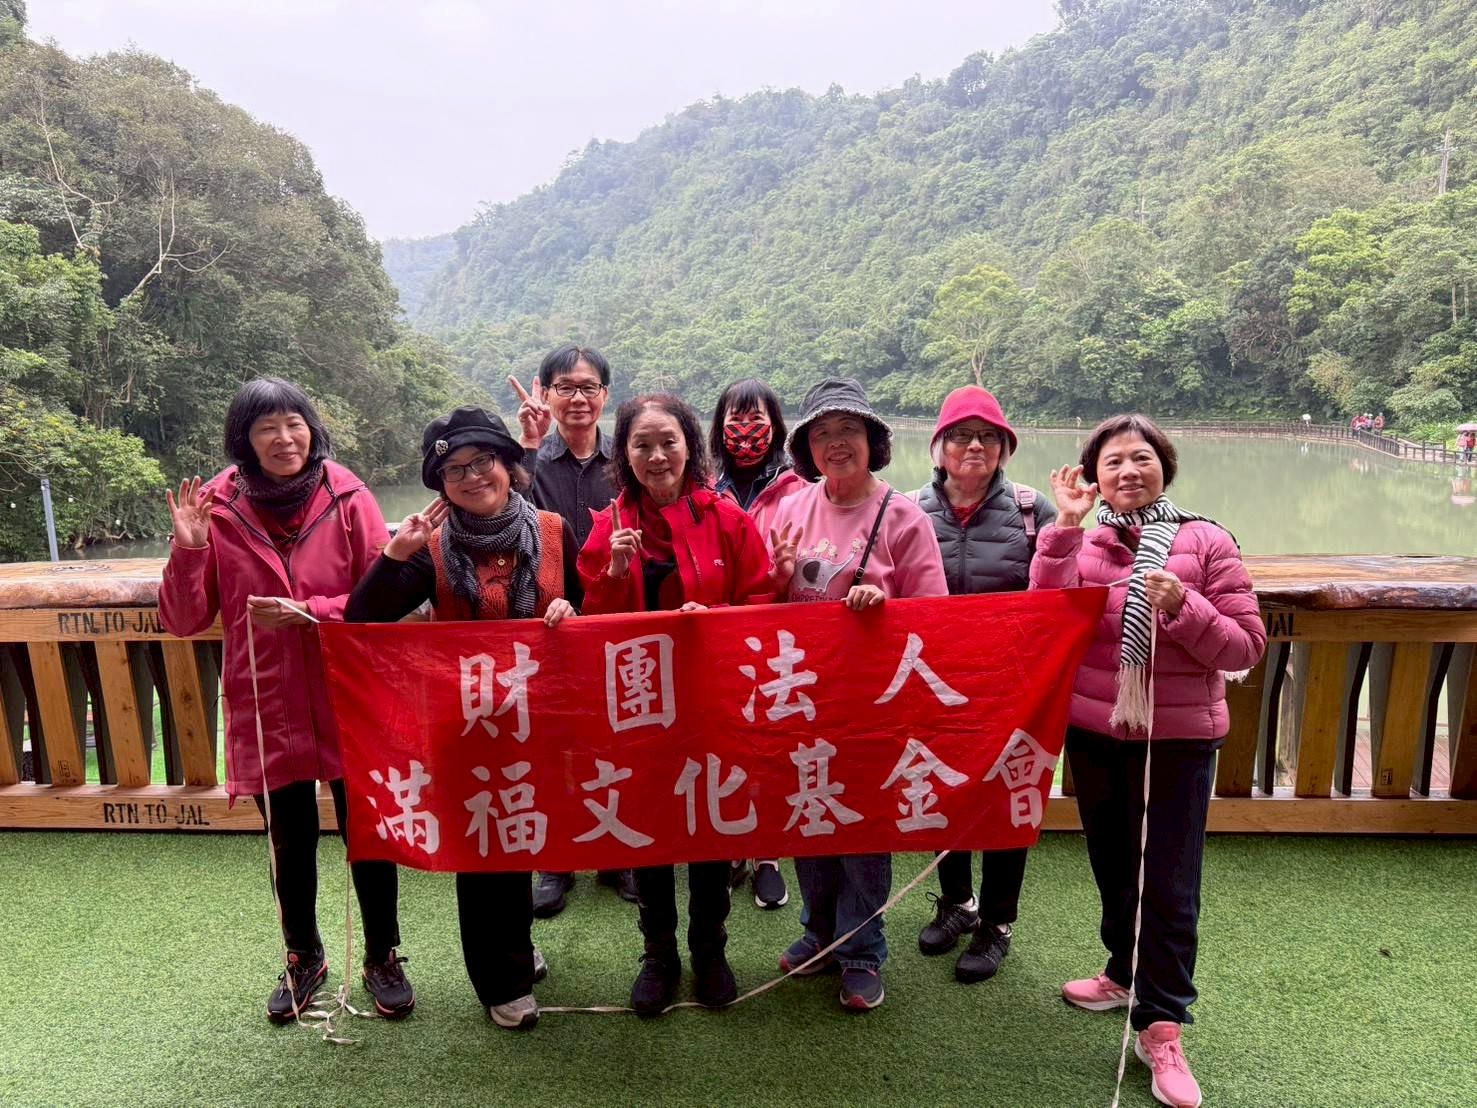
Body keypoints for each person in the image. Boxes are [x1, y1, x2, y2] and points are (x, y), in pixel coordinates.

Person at [158, 376, 413, 1024]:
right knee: (288, 839)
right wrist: (189, 549)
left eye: (293, 423)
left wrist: (311, 612)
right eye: (266, 427)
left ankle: (382, 955)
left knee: (369, 831)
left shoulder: (348, 495)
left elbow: (381, 596)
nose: (283, 438)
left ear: (311, 428)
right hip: (267, 697)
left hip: (346, 691)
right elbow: (184, 620)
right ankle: (304, 956)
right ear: (243, 438)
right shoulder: (217, 506)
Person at [1033, 414, 1266, 1108]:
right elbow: (1044, 614)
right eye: (1112, 462)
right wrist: (1064, 527)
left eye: (1140, 458)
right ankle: (1122, 972)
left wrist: (1184, 605)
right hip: (1096, 732)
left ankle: (1161, 1025)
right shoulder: (1086, 541)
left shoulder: (1206, 541)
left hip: (1178, 740)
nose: (1127, 471)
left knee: (1167, 882)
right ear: (1093, 477)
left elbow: (1244, 647)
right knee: (1111, 864)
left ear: (1164, 466)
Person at [345, 406, 579, 1031]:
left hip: (541, 718)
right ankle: (500, 980)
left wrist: (572, 615)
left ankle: (517, 943)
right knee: (483, 851)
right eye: (455, 471)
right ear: (442, 485)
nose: (473, 477)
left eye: (483, 462)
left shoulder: (554, 531)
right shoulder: (433, 550)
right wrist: (394, 555)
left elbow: (588, 608)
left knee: (524, 834)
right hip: (468, 724)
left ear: (508, 465)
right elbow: (360, 618)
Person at [577, 392, 777, 1017]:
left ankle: (710, 950)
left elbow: (762, 602)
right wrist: (614, 571)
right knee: (650, 833)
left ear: (690, 445)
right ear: (624, 454)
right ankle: (658, 955)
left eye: (669, 441)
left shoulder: (727, 519)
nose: (657, 455)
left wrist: (713, 618)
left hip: (712, 702)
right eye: (642, 445)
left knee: (711, 826)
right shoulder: (609, 524)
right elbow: (591, 623)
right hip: (639, 707)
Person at [766, 377, 947, 1012]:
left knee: (863, 826)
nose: (836, 443)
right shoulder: (791, 508)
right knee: (811, 814)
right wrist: (776, 577)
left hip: (872, 703)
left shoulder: (903, 516)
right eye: (822, 433)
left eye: (848, 430)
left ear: (873, 440)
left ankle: (862, 950)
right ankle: (818, 933)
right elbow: (765, 602)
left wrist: (885, 606)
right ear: (807, 448)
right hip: (801, 697)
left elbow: (935, 617)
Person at [910, 385, 1056, 984]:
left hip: (1011, 688)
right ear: (939, 446)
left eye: (988, 437)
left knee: (1005, 799)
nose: (975, 446)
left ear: (1003, 448)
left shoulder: (1031, 510)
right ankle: (956, 902)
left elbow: (1057, 592)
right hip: (934, 683)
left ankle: (997, 921)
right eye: (961, 436)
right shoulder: (909, 509)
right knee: (943, 790)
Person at [508, 343, 636, 915]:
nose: (577, 398)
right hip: (549, 620)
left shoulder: (626, 459)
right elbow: (504, 512)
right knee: (554, 740)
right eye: (565, 387)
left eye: (588, 387)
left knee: (619, 733)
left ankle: (617, 854)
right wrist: (529, 445)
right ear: (546, 392)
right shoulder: (529, 456)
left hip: (616, 616)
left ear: (605, 395)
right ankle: (556, 857)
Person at [708, 377, 808, 911]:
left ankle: (768, 852)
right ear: (719, 428)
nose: (745, 432)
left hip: (778, 637)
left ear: (776, 427)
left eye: (756, 421)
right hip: (720, 638)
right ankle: (729, 848)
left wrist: (785, 575)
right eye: (735, 421)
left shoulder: (801, 489)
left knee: (772, 745)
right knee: (724, 743)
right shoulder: (703, 487)